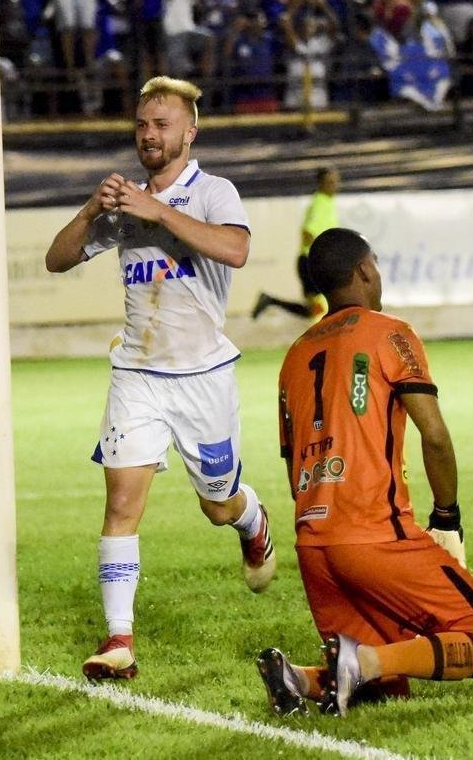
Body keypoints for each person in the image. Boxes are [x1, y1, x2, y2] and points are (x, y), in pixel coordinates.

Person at [45, 76, 275, 681]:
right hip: (137, 375)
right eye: (143, 125)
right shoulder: (121, 206)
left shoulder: (212, 192)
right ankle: (118, 639)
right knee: (121, 502)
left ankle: (252, 519)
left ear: (189, 132)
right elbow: (57, 258)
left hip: (203, 377)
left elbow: (235, 251)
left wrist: (159, 212)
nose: (150, 134)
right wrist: (95, 209)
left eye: (163, 124)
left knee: (216, 505)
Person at [255, 228, 473, 717]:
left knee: (387, 682)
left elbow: (295, 468)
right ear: (364, 272)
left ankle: (300, 679)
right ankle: (362, 662)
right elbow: (434, 434)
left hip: (314, 546)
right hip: (376, 536)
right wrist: (446, 516)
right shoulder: (388, 331)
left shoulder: (293, 356)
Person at [252, 166, 339, 322]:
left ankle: (271, 301)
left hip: (312, 261)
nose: (334, 185)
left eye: (335, 181)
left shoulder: (327, 202)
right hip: (311, 261)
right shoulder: (320, 203)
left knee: (315, 311)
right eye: (329, 182)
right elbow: (307, 232)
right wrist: (319, 258)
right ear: (320, 183)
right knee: (320, 309)